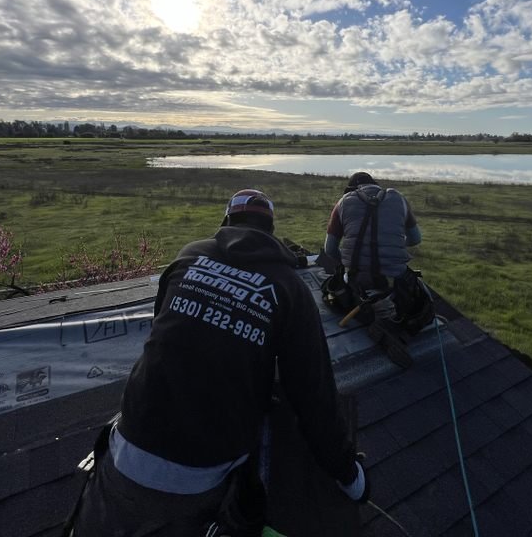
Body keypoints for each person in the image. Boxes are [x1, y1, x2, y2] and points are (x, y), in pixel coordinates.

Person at [72, 189, 368, 536]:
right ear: (270, 231)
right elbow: (314, 397)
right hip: (199, 478)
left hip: (126, 446)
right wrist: (350, 477)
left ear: (226, 222)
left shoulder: (189, 256)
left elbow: (165, 336)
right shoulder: (290, 289)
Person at [324, 172, 431, 367]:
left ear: (351, 190)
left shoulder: (343, 202)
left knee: (338, 287)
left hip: (356, 279)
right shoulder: (398, 199)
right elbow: (415, 239)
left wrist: (347, 264)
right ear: (375, 185)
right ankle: (396, 324)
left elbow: (330, 249)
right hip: (395, 279)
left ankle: (372, 314)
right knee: (423, 297)